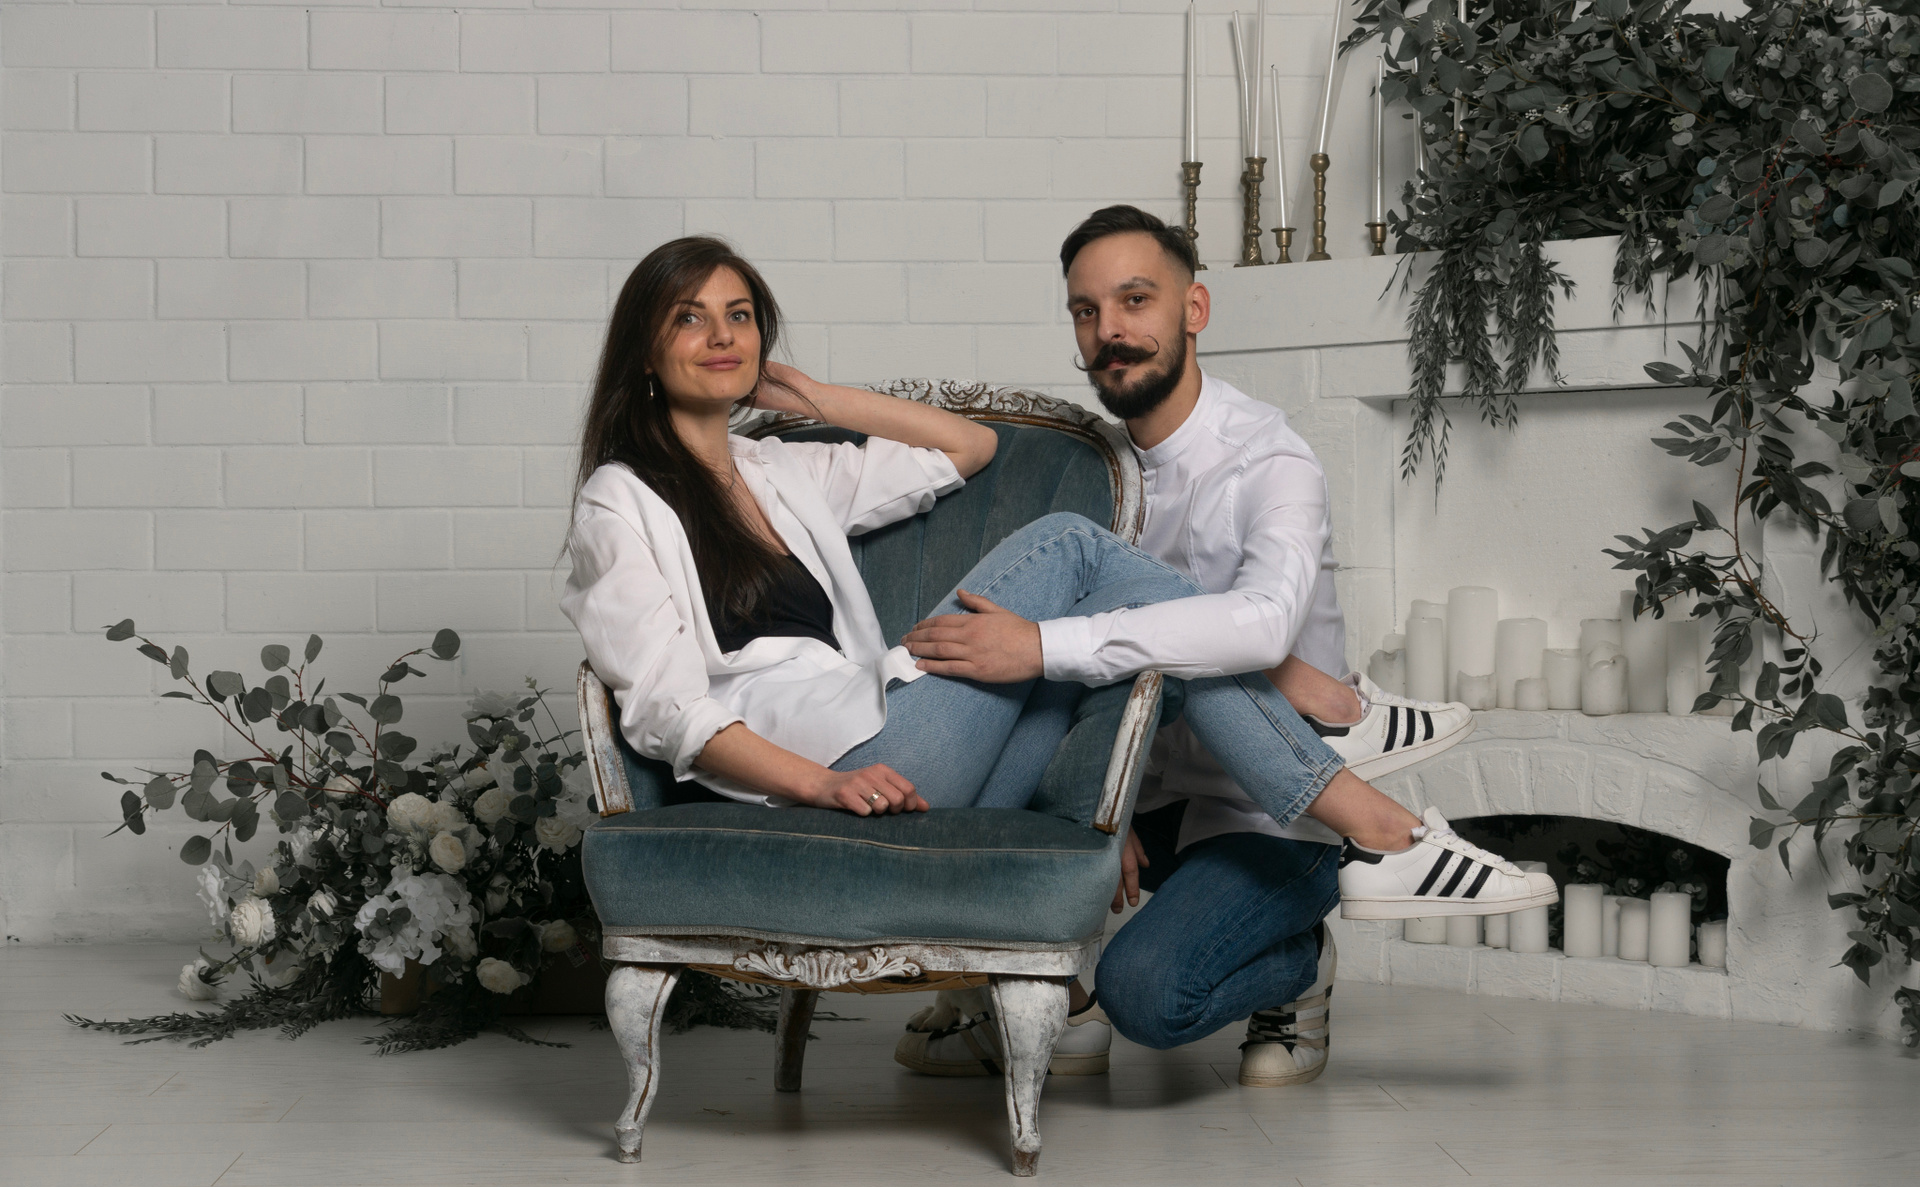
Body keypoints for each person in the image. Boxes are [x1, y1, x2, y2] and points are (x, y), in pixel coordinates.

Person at [561, 235, 1556, 1079]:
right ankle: (1344, 747)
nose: (724, 335)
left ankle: (1337, 759)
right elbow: (667, 712)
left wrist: (819, 396)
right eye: (691, 318)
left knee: (1093, 621)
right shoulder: (621, 501)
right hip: (845, 757)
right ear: (645, 348)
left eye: (740, 315)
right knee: (1075, 548)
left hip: (915, 753)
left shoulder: (781, 469)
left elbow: (966, 449)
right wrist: (820, 783)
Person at [892, 206, 1543, 1087]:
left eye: (1135, 301)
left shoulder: (1270, 460)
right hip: (1148, 794)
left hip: (1272, 809)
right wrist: (1099, 802)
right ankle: (1048, 998)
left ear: (1194, 309)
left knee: (1149, 998)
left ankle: (1302, 964)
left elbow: (1262, 623)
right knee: (985, 779)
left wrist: (1040, 645)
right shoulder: (1092, 471)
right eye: (1086, 311)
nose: (1109, 331)